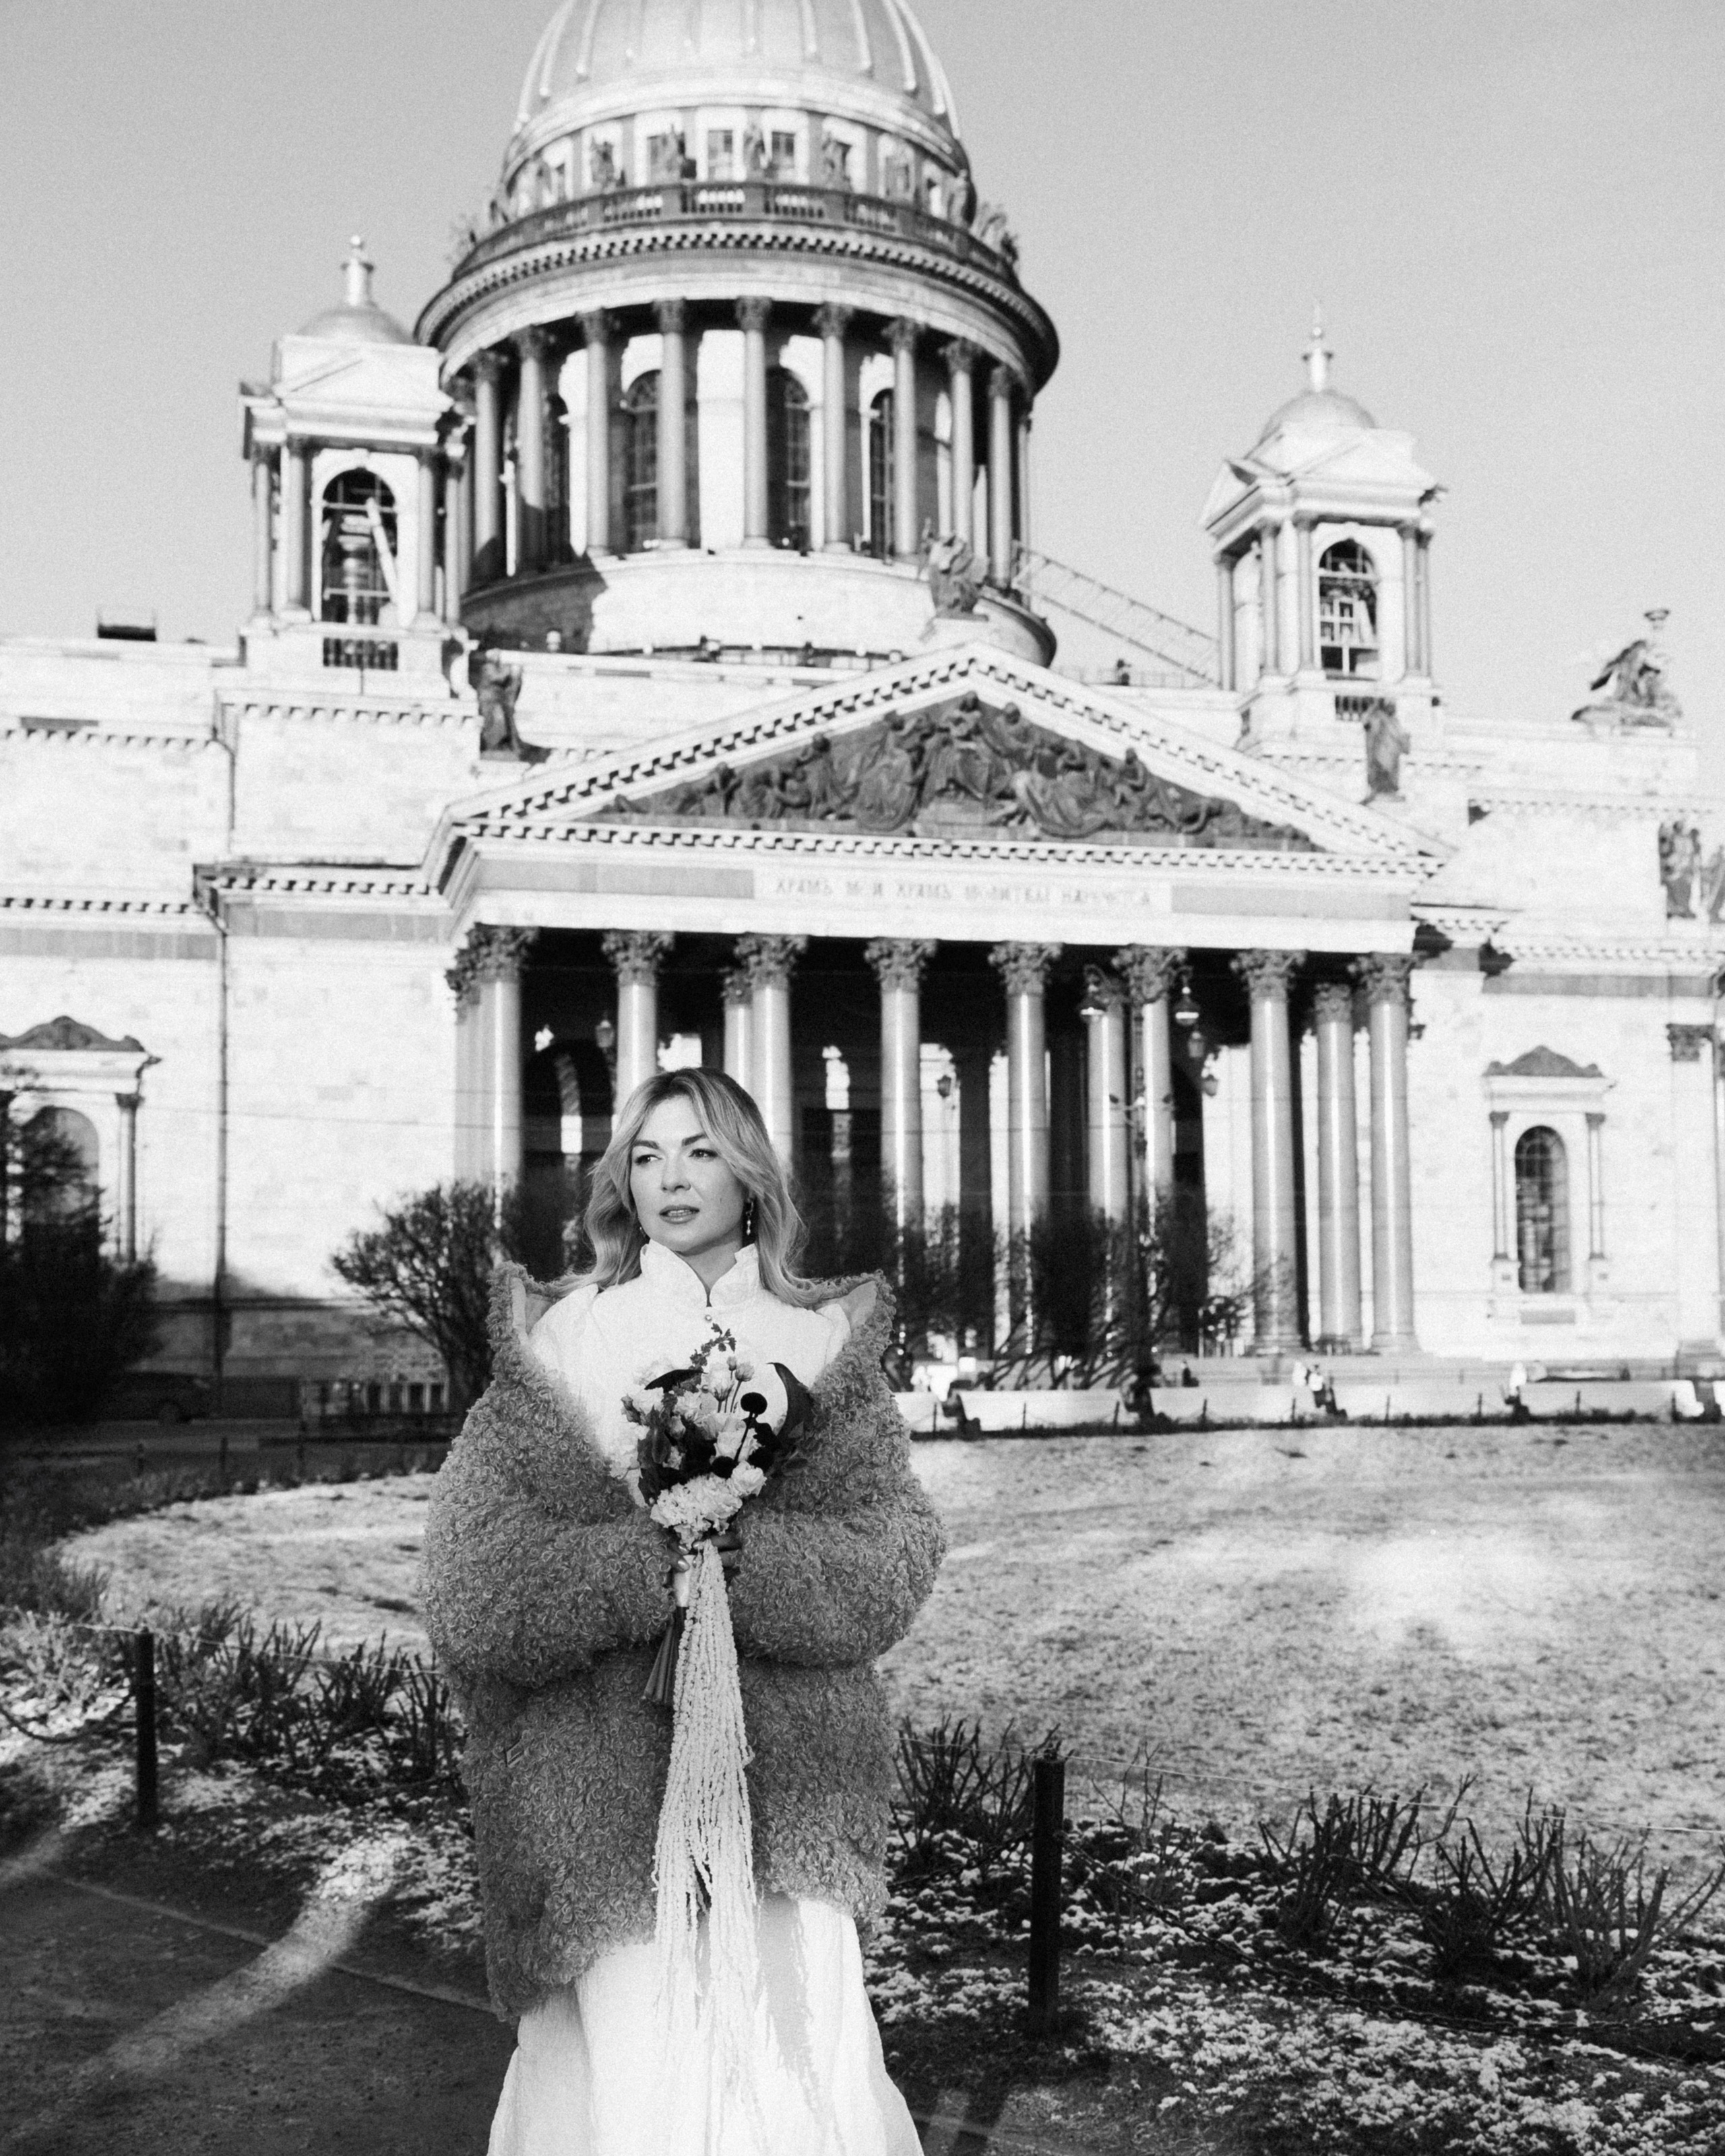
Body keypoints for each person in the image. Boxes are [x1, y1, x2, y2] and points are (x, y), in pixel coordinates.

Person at [422, 1068, 945, 2154]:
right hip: (605, 1782)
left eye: (701, 1152)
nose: (673, 1178)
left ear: (750, 1173)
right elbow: (475, 1570)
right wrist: (646, 1563)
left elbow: (890, 1549)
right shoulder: (568, 1336)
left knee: (787, 2049)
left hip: (785, 1778)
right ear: (622, 1179)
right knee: (635, 2071)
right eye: (650, 1155)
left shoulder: (818, 1342)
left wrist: (739, 1555)